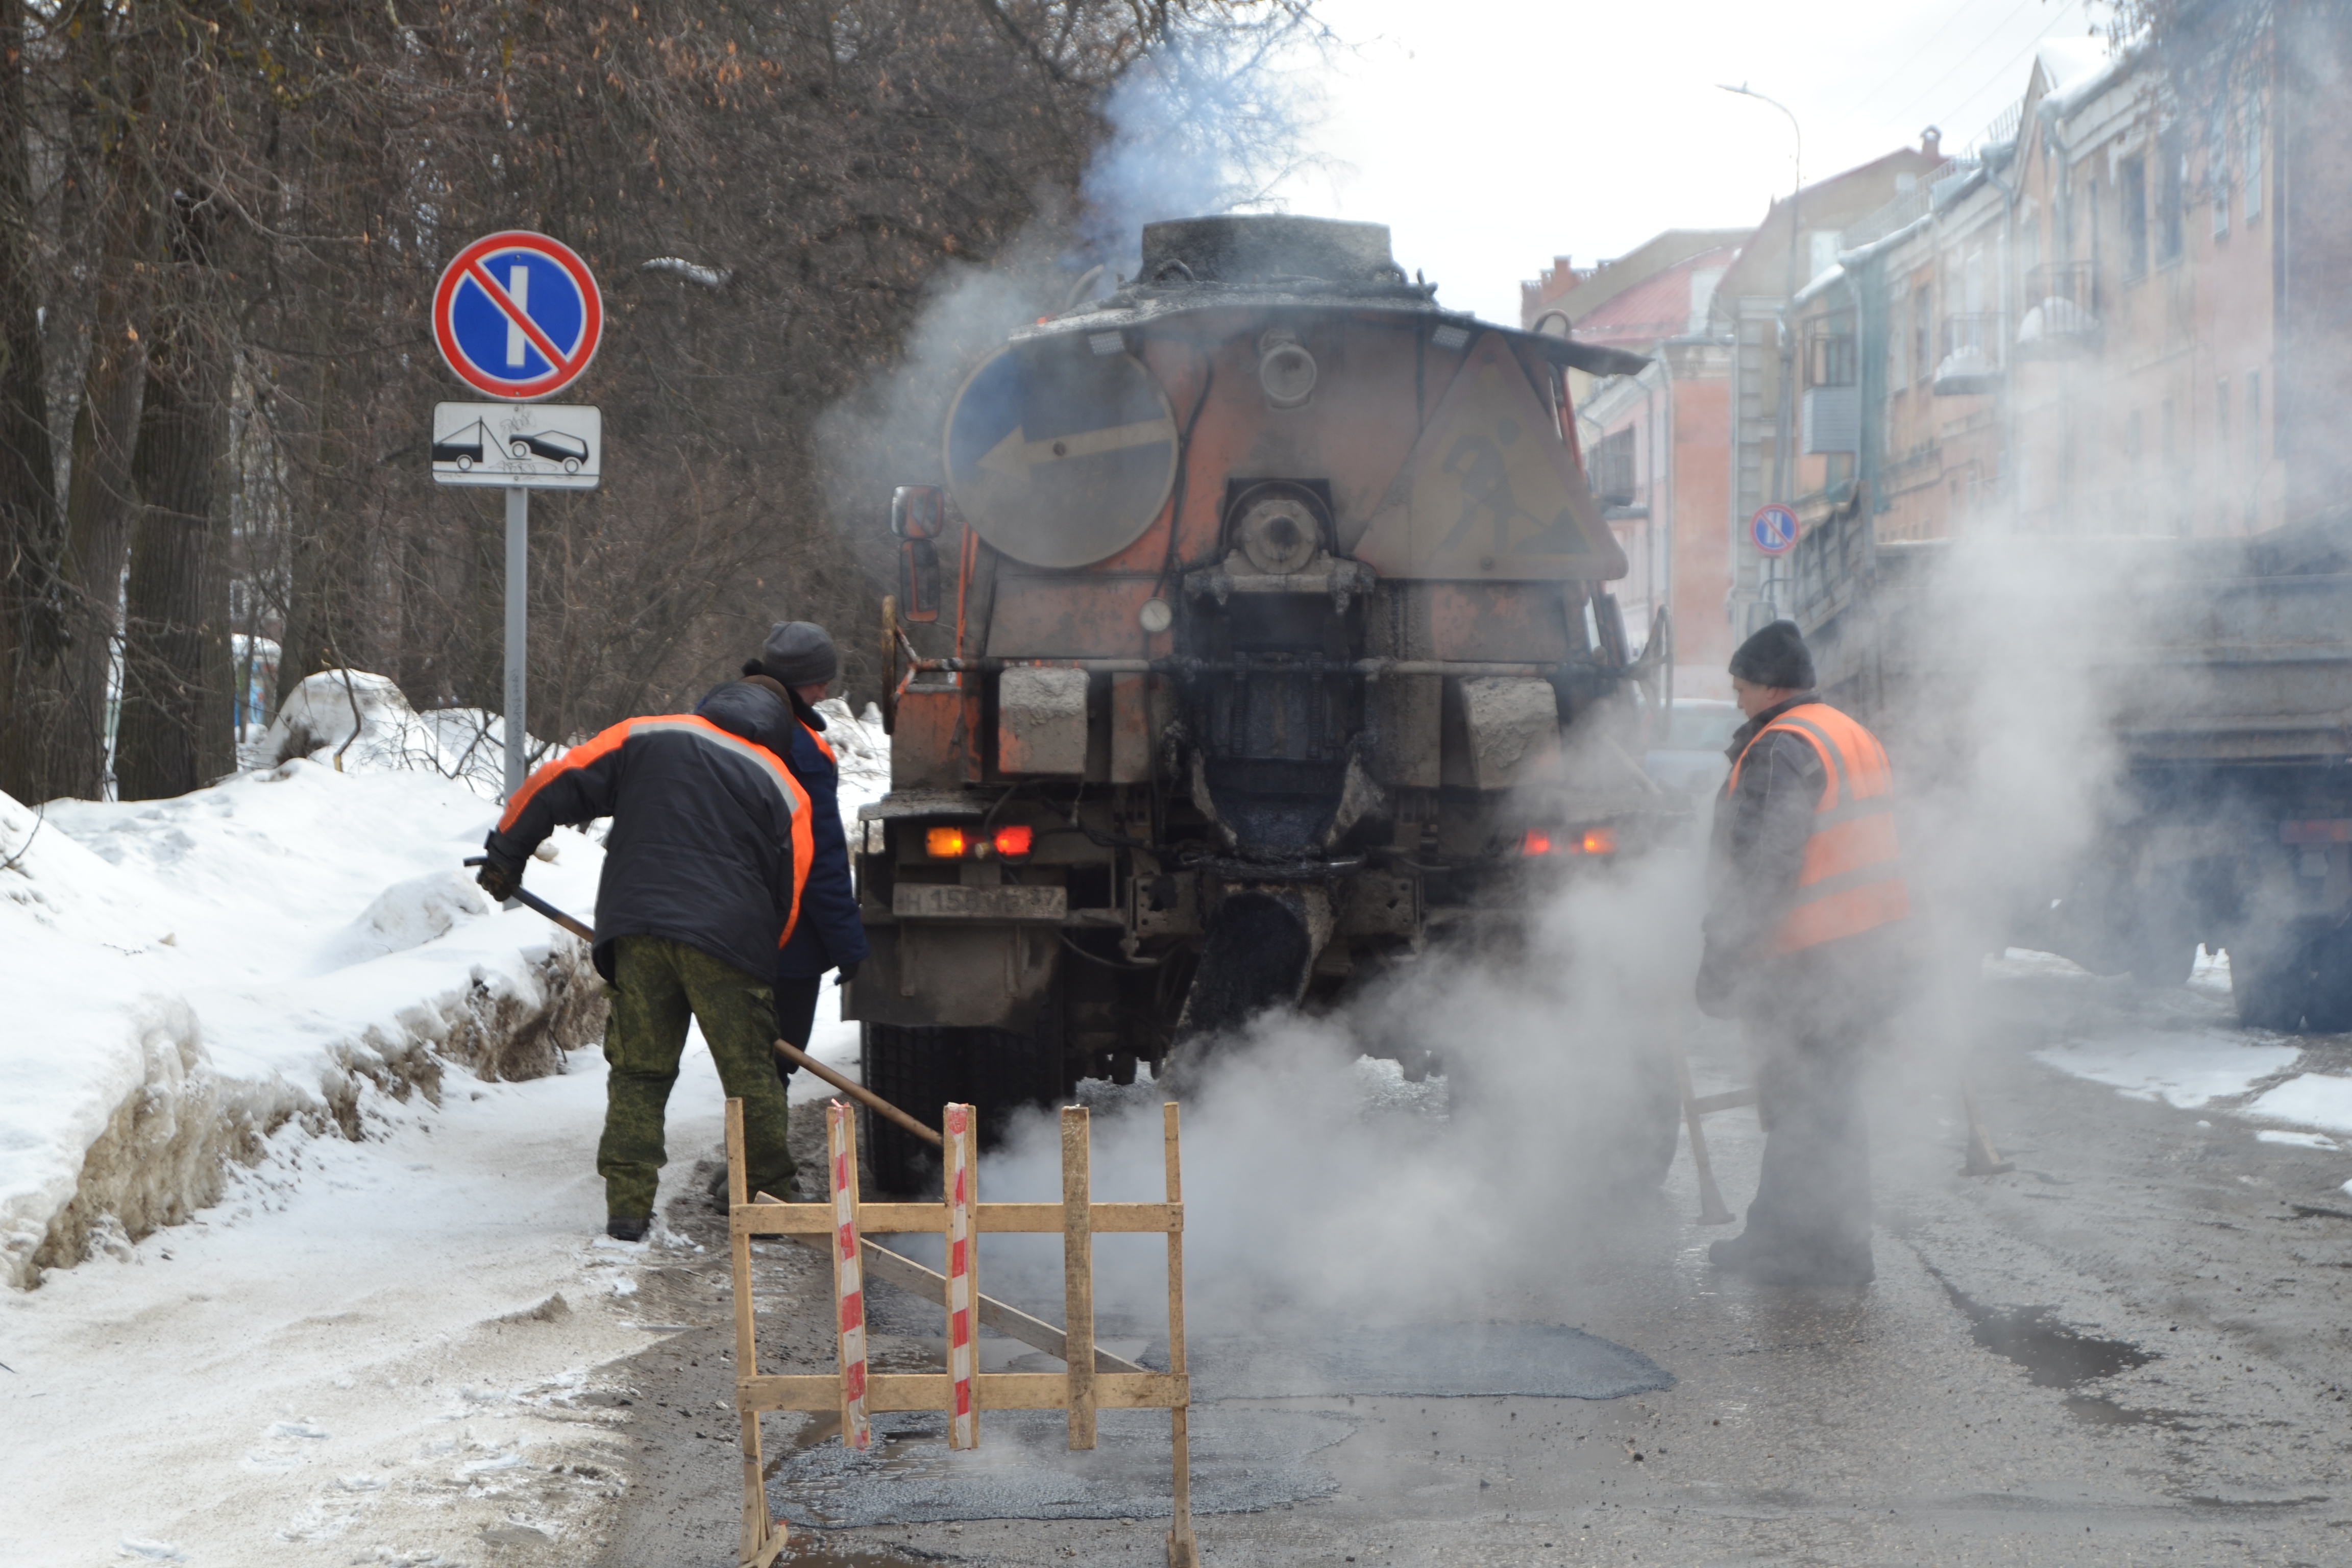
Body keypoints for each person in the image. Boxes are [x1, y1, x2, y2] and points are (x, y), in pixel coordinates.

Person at [473, 688, 813, 1242]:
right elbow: (790, 893)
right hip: (730, 938)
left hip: (637, 926)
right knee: (750, 1073)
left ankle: (627, 1209)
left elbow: (558, 782)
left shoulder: (646, 735)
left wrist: (506, 852)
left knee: (639, 1071)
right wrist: (757, 955)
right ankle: (766, 1198)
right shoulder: (785, 786)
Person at [1696, 620, 1910, 1286]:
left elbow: (1765, 868)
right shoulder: (1851, 734)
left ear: (1767, 686)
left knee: (1802, 1105)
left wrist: (1723, 961)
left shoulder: (1780, 747)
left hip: (1810, 958)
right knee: (1831, 1104)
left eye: (1739, 687)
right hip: (1866, 953)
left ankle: (1797, 1252)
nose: (1736, 700)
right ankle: (1832, 1251)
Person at [694, 622, 871, 1164]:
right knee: (777, 1056)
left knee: (746, 1058)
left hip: (714, 922)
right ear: (798, 685)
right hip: (785, 936)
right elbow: (819, 858)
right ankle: (754, 1177)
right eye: (818, 684)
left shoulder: (708, 726)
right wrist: (848, 945)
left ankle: (744, 1168)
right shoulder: (804, 749)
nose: (824, 693)